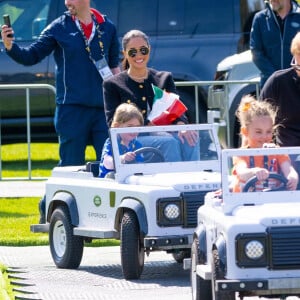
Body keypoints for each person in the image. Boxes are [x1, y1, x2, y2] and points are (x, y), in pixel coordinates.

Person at [1, 0, 120, 166]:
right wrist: (10, 46)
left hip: (103, 109)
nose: (66, 3)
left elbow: (114, 66)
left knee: (110, 164)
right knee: (71, 166)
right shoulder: (58, 27)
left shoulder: (108, 27)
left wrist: (121, 99)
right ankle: (57, 194)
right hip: (71, 109)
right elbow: (31, 56)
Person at [103, 29, 199, 162]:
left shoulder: (164, 78)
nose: (138, 55)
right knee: (169, 143)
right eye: (132, 52)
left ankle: (193, 178)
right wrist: (142, 126)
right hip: (133, 138)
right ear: (124, 53)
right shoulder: (113, 84)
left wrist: (183, 127)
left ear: (149, 49)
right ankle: (173, 180)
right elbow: (112, 122)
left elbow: (176, 110)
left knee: (191, 138)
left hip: (167, 131)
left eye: (143, 50)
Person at [231, 95, 298, 192]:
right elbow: (242, 172)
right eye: (258, 132)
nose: (264, 137)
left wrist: (293, 177)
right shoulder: (241, 154)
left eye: (268, 131)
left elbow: (288, 169)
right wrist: (254, 172)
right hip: (244, 203)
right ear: (245, 131)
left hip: (271, 199)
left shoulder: (277, 151)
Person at [250, 0, 300, 88]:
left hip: (296, 84)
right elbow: (256, 52)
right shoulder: (260, 19)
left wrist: (292, 75)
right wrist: (276, 77)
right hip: (270, 85)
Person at [99, 103, 144, 178]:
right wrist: (122, 158)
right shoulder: (112, 142)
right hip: (110, 180)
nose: (134, 131)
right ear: (117, 126)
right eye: (130, 127)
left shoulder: (137, 144)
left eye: (137, 127)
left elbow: (140, 164)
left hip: (130, 178)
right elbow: (107, 163)